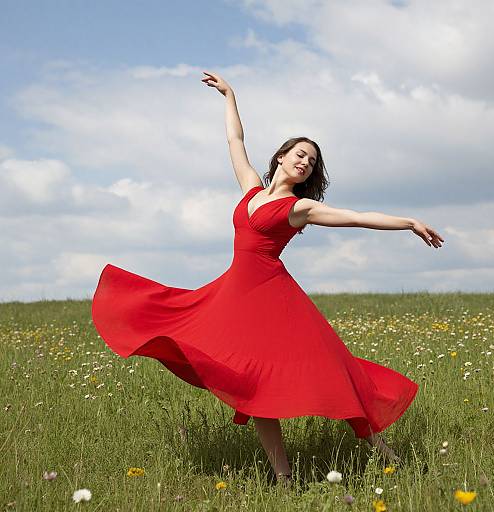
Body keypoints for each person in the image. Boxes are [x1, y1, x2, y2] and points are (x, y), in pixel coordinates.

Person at [91, 70, 445, 486]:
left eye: (311, 161)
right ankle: (284, 477)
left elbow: (356, 217)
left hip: (275, 299)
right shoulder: (251, 190)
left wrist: (408, 222)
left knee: (335, 373)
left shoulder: (300, 208)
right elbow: (235, 143)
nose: (304, 162)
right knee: (253, 385)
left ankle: (386, 455)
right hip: (235, 298)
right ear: (281, 156)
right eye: (299, 154)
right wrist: (230, 96)